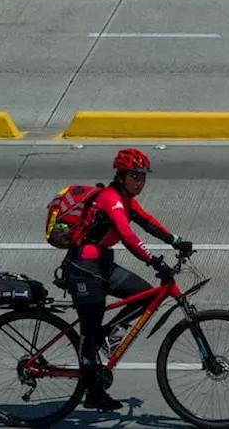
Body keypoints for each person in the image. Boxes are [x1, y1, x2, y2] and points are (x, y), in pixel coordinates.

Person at [61, 147, 192, 412]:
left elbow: (147, 222)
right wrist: (155, 261)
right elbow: (128, 236)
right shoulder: (111, 199)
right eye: (136, 176)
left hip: (102, 264)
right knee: (89, 331)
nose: (141, 182)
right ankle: (94, 393)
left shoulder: (126, 199)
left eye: (144, 177)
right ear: (121, 176)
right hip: (83, 267)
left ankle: (106, 334)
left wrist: (176, 241)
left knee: (145, 295)